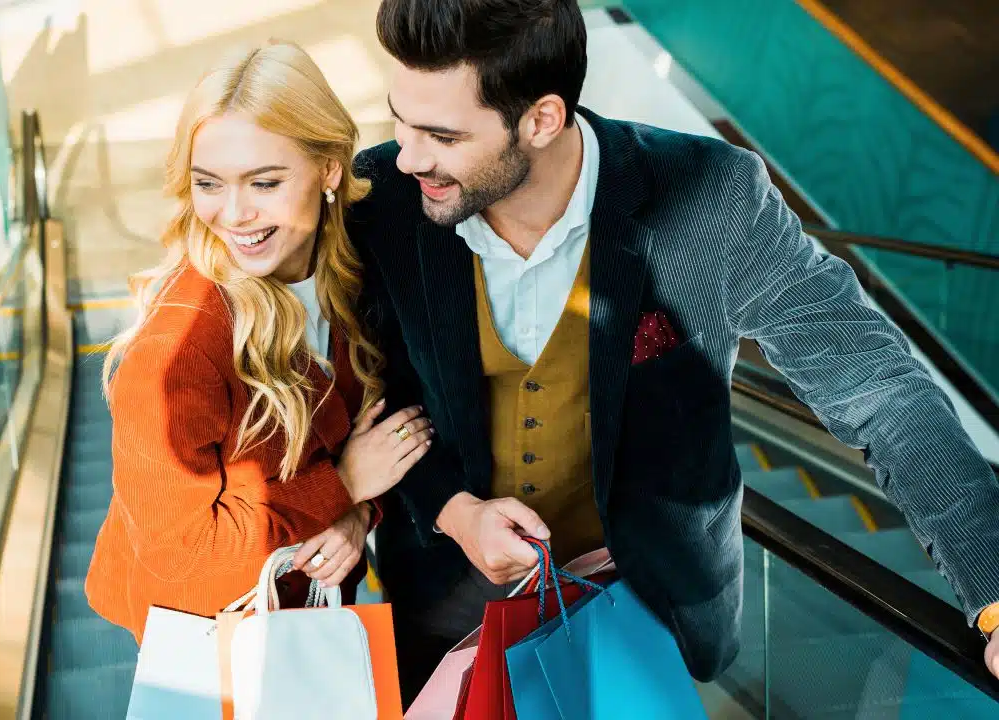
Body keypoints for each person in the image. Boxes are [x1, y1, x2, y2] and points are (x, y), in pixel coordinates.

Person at [347, 0, 999, 700]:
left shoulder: (713, 196)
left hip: (653, 603)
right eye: (400, 120)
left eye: (440, 134)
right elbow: (376, 391)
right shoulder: (382, 195)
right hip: (449, 598)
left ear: (541, 119)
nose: (408, 154)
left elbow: (879, 387)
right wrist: (452, 510)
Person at [84, 41, 434, 641]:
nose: (234, 214)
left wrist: (357, 514)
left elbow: (379, 445)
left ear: (328, 169)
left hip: (308, 617)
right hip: (211, 641)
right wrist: (344, 488)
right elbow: (186, 573)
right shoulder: (177, 352)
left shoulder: (350, 263)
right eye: (209, 183)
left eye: (264, 183)